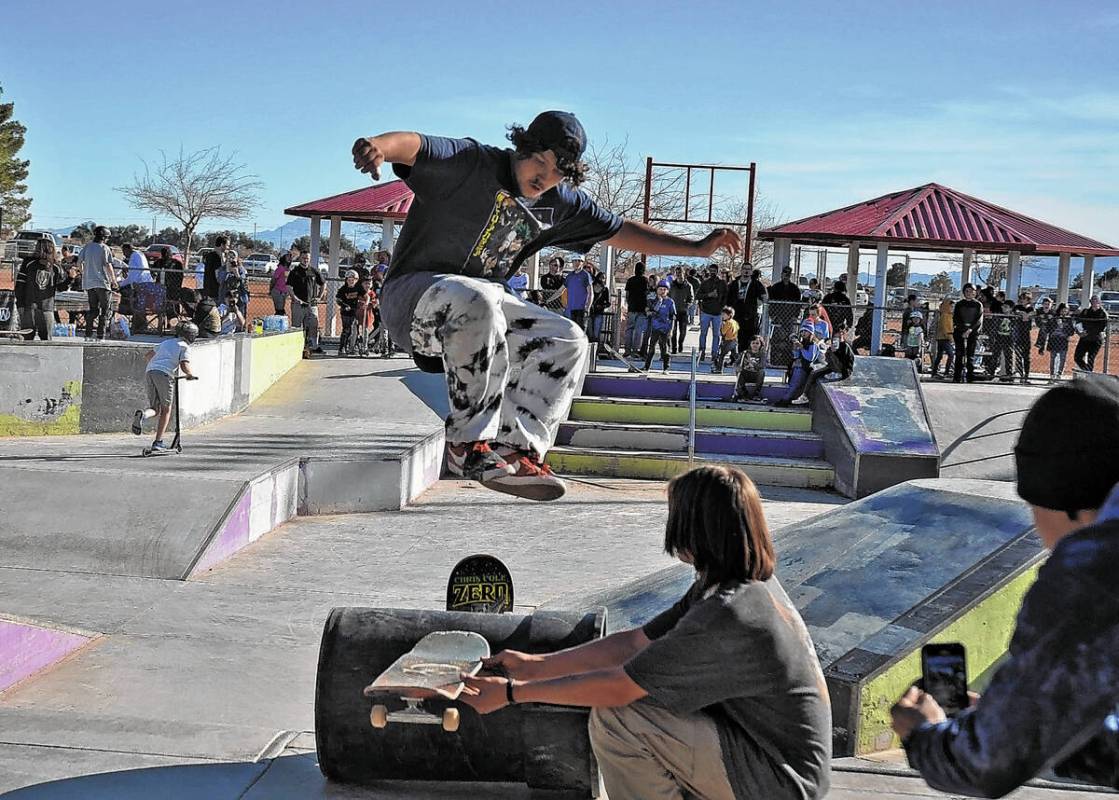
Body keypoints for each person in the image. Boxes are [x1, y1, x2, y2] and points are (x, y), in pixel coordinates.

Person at [353, 110, 740, 500]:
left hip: (479, 318)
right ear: (521, 148)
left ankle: (518, 448)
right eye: (538, 162)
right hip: (412, 301)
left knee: (567, 338)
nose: (543, 177)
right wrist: (379, 147)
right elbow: (416, 146)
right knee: (482, 294)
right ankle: (467, 443)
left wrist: (696, 248)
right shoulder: (472, 163)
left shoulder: (560, 204)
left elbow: (620, 230)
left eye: (556, 172)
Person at [461, 465, 832, 800]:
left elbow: (621, 686)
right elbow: (634, 643)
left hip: (780, 783)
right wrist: (532, 665)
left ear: (695, 528)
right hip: (771, 763)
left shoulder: (729, 614)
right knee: (640, 712)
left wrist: (512, 694)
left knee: (621, 719)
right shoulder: (733, 586)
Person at [891, 380, 1119, 798]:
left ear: (1062, 501)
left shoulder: (1092, 569)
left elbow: (985, 764)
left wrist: (924, 733)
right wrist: (1031, 720)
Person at [131, 320, 199, 452]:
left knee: (154, 408)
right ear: (191, 336)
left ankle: (143, 415)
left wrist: (159, 363)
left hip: (150, 372)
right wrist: (190, 374)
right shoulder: (184, 346)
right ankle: (158, 442)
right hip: (165, 375)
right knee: (166, 410)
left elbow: (148, 356)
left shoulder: (166, 342)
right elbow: (184, 364)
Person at [15, 238, 74, 341]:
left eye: (38, 247)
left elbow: (60, 287)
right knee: (27, 338)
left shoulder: (56, 267)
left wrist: (70, 278)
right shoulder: (28, 262)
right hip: (29, 306)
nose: (36, 249)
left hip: (47, 308)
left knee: (46, 339)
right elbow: (20, 285)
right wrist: (20, 304)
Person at [77, 225, 118, 340]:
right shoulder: (104, 248)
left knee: (92, 310)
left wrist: (84, 273)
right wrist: (114, 281)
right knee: (105, 311)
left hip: (89, 284)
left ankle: (88, 334)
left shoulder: (87, 247)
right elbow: (108, 265)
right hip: (102, 283)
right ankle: (101, 335)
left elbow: (79, 262)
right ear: (104, 237)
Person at [774, 319, 822, 407]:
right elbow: (796, 356)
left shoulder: (813, 344)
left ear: (811, 332)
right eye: (802, 331)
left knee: (794, 384)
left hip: (805, 368)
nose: (803, 333)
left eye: (806, 331)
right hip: (799, 366)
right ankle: (789, 398)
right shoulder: (803, 342)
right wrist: (796, 349)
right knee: (793, 383)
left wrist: (802, 348)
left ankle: (785, 400)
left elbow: (810, 357)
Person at [288, 251, 325, 354]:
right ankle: (297, 346)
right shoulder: (294, 272)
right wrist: (295, 298)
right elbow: (289, 287)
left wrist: (319, 297)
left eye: (307, 258)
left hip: (312, 304)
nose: (306, 260)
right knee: (297, 326)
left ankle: (314, 345)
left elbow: (323, 284)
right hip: (298, 305)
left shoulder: (314, 271)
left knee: (313, 325)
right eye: (304, 258)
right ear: (300, 258)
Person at [727, 266, 767, 350]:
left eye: (748, 269)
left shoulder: (756, 284)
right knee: (734, 338)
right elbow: (727, 298)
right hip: (735, 315)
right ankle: (734, 358)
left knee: (749, 338)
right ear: (741, 270)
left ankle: (746, 358)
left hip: (750, 316)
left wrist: (761, 302)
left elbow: (764, 296)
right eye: (744, 269)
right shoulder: (734, 283)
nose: (746, 271)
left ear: (751, 272)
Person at [952, 283, 984, 383]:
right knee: (959, 355)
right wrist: (963, 329)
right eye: (967, 291)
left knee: (970, 355)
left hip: (972, 333)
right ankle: (957, 377)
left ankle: (970, 377)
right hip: (960, 332)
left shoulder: (978, 305)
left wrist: (970, 330)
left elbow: (979, 320)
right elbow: (956, 318)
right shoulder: (959, 304)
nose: (969, 293)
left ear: (975, 293)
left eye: (971, 291)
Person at [696, 264, 728, 361]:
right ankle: (702, 352)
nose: (712, 272)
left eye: (714, 270)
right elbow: (698, 296)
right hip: (706, 311)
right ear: (709, 271)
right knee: (703, 333)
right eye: (711, 270)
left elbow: (726, 296)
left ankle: (714, 354)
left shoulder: (722, 283)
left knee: (716, 334)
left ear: (717, 271)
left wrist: (723, 307)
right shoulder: (705, 283)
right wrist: (709, 295)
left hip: (718, 312)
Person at [644, 280, 676, 374]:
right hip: (655, 327)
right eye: (660, 289)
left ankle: (666, 368)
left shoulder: (670, 302)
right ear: (657, 290)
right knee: (651, 348)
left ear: (667, 291)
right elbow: (649, 311)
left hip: (665, 328)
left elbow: (673, 316)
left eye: (664, 289)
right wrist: (652, 309)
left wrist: (671, 330)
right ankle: (647, 367)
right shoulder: (653, 300)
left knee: (665, 349)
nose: (662, 291)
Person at [335, 269, 367, 355]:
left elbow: (366, 296)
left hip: (354, 311)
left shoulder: (358, 288)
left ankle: (354, 347)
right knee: (346, 330)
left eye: (353, 280)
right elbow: (338, 300)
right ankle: (342, 348)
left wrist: (366, 303)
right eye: (349, 280)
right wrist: (345, 306)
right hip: (345, 311)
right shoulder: (343, 289)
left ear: (356, 280)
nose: (351, 282)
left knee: (355, 330)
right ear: (346, 280)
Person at [1074, 295, 1108, 372]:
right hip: (1084, 339)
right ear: (1090, 302)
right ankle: (1087, 371)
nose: (1094, 303)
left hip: (1096, 340)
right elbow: (1078, 323)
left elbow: (1101, 328)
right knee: (1077, 357)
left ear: (1100, 302)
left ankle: (1088, 374)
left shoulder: (1103, 314)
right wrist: (1080, 333)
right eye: (1093, 301)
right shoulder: (1085, 312)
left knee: (1090, 358)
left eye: (1096, 301)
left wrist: (1089, 332)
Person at [623, 261, 648, 357]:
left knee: (629, 329)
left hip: (632, 307)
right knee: (639, 330)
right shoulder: (645, 280)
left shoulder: (630, 280)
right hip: (642, 308)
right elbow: (646, 294)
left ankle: (627, 350)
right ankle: (635, 351)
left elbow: (627, 295)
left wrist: (629, 304)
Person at [667, 266, 694, 354]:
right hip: (673, 311)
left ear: (683, 274)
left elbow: (691, 298)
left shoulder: (688, 286)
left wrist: (688, 304)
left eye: (680, 273)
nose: (678, 274)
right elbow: (668, 296)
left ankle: (680, 343)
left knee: (683, 331)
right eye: (677, 273)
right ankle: (674, 347)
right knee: (673, 331)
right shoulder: (672, 285)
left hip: (683, 311)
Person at [733, 335, 768, 402]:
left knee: (762, 372)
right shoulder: (745, 353)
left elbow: (762, 366)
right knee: (739, 372)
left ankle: (756, 394)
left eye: (757, 343)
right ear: (750, 344)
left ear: (761, 344)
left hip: (756, 375)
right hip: (746, 374)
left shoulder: (762, 354)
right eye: (753, 343)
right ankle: (744, 394)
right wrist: (737, 368)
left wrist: (752, 363)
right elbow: (736, 363)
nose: (755, 345)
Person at [1011, 292, 1034, 383]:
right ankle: (1020, 374)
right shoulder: (1018, 307)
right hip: (1018, 333)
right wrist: (1023, 313)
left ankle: (1026, 375)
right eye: (1021, 298)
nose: (1022, 300)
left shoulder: (1030, 308)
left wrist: (1027, 314)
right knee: (1018, 355)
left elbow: (1032, 313)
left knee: (1026, 356)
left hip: (1026, 333)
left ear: (1028, 300)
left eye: (1024, 298)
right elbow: (1016, 311)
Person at [564, 257, 593, 329]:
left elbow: (591, 293)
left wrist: (587, 308)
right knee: (572, 332)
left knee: (581, 332)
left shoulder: (585, 275)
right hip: (571, 309)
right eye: (574, 261)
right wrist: (548, 300)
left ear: (582, 263)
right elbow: (561, 290)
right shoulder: (569, 276)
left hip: (581, 309)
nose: (577, 263)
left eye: (579, 261)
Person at [1047, 303, 1074, 380]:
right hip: (1054, 339)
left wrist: (1063, 326)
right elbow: (1049, 328)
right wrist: (1055, 323)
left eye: (1066, 311)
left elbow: (1071, 332)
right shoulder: (1055, 318)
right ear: (1059, 310)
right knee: (1053, 358)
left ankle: (1059, 374)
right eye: (1062, 311)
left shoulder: (1068, 319)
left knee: (1062, 358)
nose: (1064, 313)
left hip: (1063, 340)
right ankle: (1052, 375)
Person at [930, 298, 955, 378]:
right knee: (951, 354)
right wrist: (950, 337)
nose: (952, 308)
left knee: (939, 355)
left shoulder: (949, 315)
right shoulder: (945, 315)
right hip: (944, 338)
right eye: (951, 306)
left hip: (942, 337)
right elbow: (945, 328)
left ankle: (934, 372)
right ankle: (946, 372)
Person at [901, 295, 925, 372]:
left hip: (914, 335)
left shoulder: (913, 310)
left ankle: (914, 368)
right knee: (909, 351)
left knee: (915, 351)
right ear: (912, 301)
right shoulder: (909, 311)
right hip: (908, 334)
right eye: (916, 301)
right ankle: (909, 369)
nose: (917, 302)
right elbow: (907, 324)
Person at [713, 306, 739, 374]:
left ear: (729, 315)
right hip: (735, 340)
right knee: (735, 355)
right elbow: (737, 329)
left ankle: (719, 369)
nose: (722, 316)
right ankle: (741, 366)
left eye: (724, 315)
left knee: (722, 355)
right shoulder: (734, 322)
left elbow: (723, 332)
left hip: (728, 341)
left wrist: (722, 326)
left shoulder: (727, 323)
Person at [588, 271, 610, 342]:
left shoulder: (605, 289)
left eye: (604, 278)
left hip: (599, 312)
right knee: (589, 332)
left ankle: (595, 348)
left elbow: (608, 303)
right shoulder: (591, 286)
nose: (602, 279)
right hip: (589, 311)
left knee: (596, 332)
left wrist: (602, 306)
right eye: (601, 277)